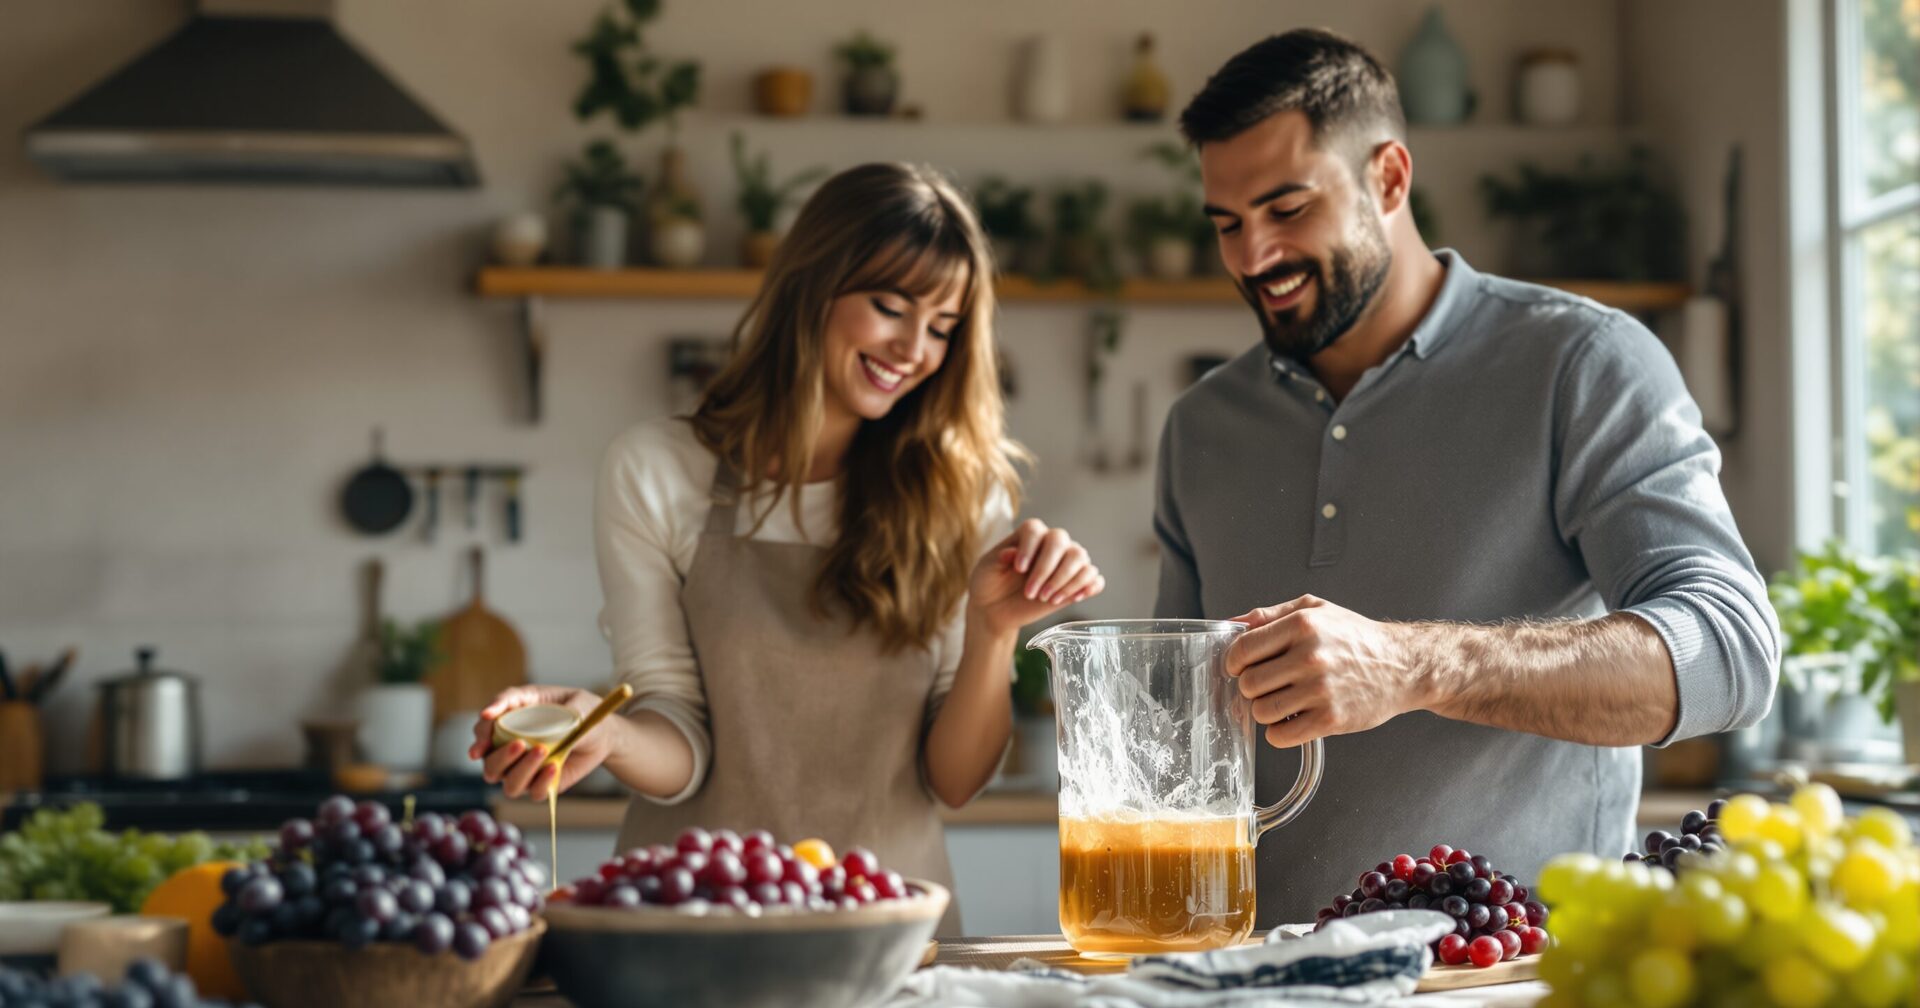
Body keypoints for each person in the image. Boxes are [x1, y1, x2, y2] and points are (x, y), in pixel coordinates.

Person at [1155, 29, 1780, 926]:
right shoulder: (1201, 428)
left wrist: (1413, 665)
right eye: (1226, 223)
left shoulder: (1584, 363)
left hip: (1513, 991)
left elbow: (1732, 652)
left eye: (1287, 209)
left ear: (1390, 179)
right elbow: (1178, 738)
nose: (1253, 256)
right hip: (1260, 997)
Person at [474, 163, 1104, 933]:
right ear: (812, 286)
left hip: (888, 938)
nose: (914, 348)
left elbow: (955, 780)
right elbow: (681, 736)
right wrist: (607, 735)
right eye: (890, 307)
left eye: (943, 327)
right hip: (688, 925)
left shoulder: (963, 494)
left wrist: (995, 632)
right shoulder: (658, 470)